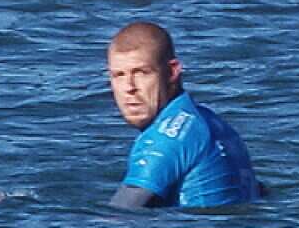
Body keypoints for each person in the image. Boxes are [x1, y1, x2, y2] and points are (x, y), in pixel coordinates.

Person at [106, 21, 261, 209]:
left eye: (141, 73)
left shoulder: (164, 140)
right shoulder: (213, 123)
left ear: (172, 72)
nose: (129, 88)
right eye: (119, 75)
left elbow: (120, 215)